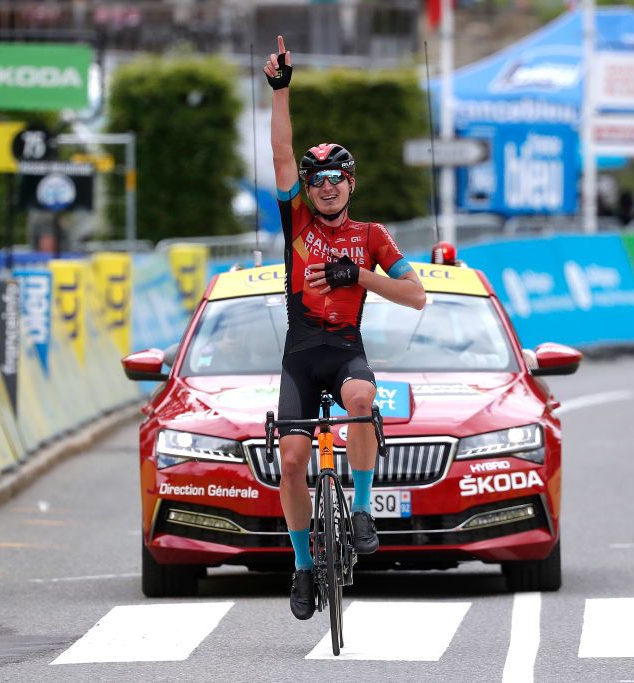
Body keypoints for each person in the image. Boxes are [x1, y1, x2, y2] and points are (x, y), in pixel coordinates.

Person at [263, 36, 426, 621]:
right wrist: (280, 92)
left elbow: (417, 296)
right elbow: (282, 153)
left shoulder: (373, 236)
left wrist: (360, 274)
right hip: (300, 356)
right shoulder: (298, 223)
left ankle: (360, 511)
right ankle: (304, 567)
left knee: (361, 396)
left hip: (346, 350)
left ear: (352, 184)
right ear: (308, 189)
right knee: (291, 461)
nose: (326, 184)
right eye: (318, 178)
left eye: (337, 176)